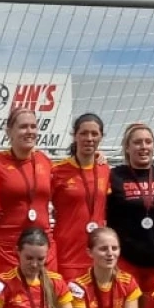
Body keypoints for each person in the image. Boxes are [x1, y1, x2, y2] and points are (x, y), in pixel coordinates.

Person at [106, 122, 154, 295]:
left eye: (148, 142)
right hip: (126, 261)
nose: (143, 147)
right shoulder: (114, 176)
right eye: (137, 142)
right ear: (127, 148)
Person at [0, 107, 56, 272]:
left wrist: (96, 157)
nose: (29, 131)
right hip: (9, 248)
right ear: (9, 131)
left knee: (46, 295)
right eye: (23, 126)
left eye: (33, 126)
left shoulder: (45, 161)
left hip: (42, 246)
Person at [51, 113, 111, 281]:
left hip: (97, 254)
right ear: (74, 135)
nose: (89, 138)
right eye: (84, 133)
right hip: (67, 253)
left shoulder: (105, 170)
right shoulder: (57, 171)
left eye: (94, 134)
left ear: (101, 137)